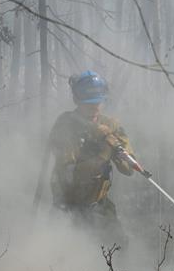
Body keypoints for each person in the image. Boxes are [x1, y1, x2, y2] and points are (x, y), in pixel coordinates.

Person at [48, 71, 136, 247]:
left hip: (100, 205)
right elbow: (70, 175)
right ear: (76, 100)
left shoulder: (111, 125)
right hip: (69, 207)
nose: (94, 107)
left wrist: (116, 150)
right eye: (88, 103)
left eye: (98, 102)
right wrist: (102, 151)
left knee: (119, 250)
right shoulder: (65, 125)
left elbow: (129, 169)